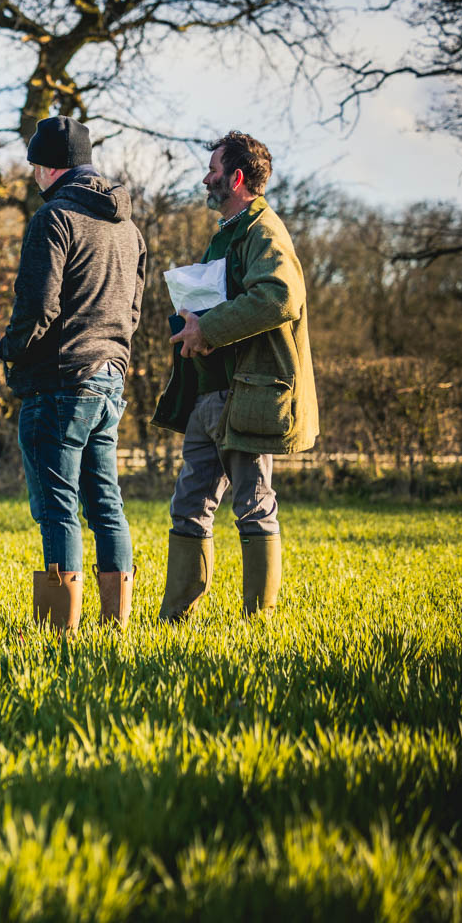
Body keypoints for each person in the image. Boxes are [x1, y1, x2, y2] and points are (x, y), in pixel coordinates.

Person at [153, 131, 318, 620]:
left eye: (213, 168)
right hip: (212, 393)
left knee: (253, 503)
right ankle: (174, 619)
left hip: (248, 395)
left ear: (237, 177)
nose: (206, 176)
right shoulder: (228, 232)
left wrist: (210, 327)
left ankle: (258, 621)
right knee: (188, 506)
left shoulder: (265, 230)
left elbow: (279, 297)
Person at [0, 115, 146, 631]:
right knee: (106, 503)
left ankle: (59, 629)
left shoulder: (54, 219)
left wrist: (11, 349)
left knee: (57, 508)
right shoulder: (129, 228)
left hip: (59, 381)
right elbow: (133, 310)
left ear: (45, 167)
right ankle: (116, 623)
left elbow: (38, 305)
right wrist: (116, 358)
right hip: (109, 378)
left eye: (34, 165)